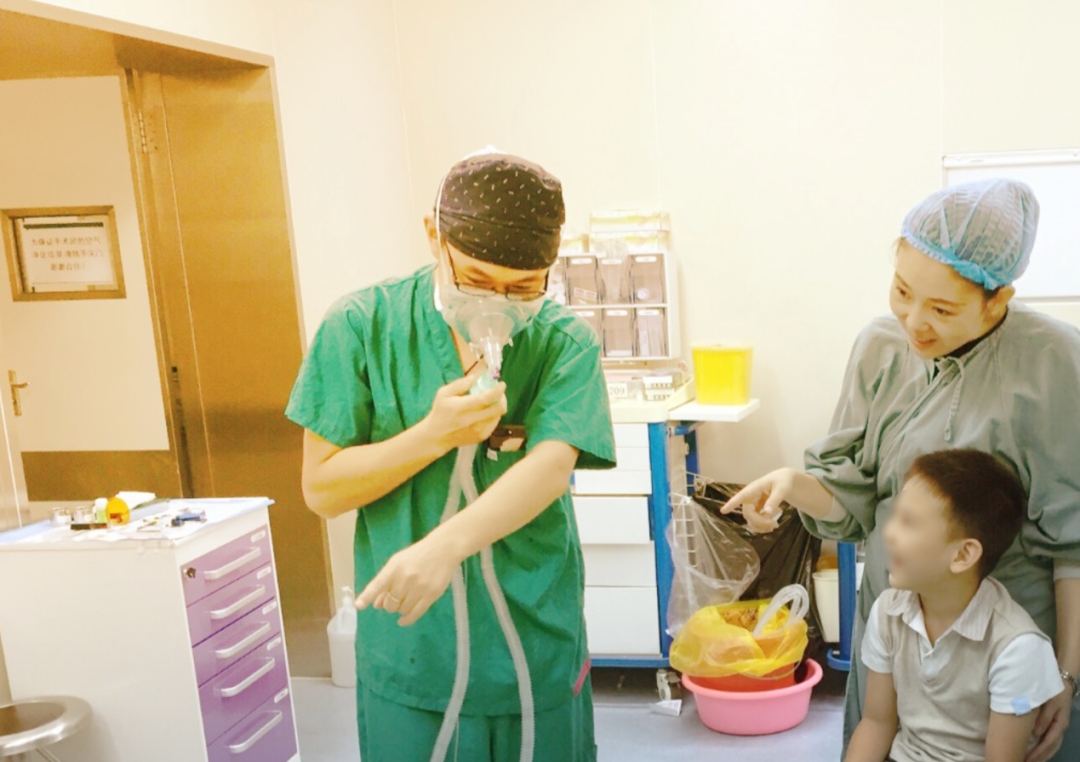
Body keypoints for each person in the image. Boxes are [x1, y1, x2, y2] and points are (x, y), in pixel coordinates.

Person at [724, 179, 1080, 762]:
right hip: (898, 626)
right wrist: (794, 485)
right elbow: (856, 499)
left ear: (998, 300)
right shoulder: (880, 348)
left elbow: (1074, 544)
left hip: (1007, 645)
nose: (914, 323)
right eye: (902, 291)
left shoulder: (1053, 362)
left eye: (942, 309)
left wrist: (1065, 676)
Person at [285, 150, 615, 762]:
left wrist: (444, 548)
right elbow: (322, 490)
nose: (499, 305)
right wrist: (433, 435)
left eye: (523, 288)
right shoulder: (360, 326)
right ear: (434, 236)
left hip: (534, 638)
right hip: (415, 651)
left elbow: (550, 468)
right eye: (477, 281)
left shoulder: (563, 340)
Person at [846, 449, 1063, 762]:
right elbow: (876, 723)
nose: (889, 533)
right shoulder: (888, 611)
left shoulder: (1017, 648)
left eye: (908, 522)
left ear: (962, 555)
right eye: (895, 516)